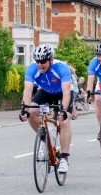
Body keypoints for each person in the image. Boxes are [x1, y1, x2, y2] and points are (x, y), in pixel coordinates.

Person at [19, 44, 72, 173]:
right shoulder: (32, 69)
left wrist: (63, 110)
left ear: (50, 60)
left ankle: (64, 158)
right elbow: (28, 90)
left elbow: (66, 92)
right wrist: (25, 109)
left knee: (64, 121)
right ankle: (44, 138)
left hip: (62, 93)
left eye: (43, 62)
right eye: (37, 61)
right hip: (46, 92)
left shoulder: (61, 68)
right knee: (31, 112)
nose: (40, 64)